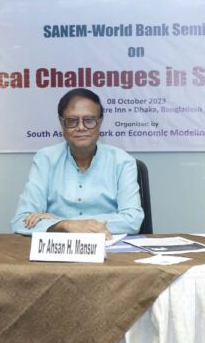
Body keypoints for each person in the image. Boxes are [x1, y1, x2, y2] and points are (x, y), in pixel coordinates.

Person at [11, 88, 143, 237]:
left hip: (108, 246)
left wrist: (63, 223)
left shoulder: (122, 161)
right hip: (59, 248)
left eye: (89, 120)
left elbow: (132, 221)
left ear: (100, 123)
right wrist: (65, 225)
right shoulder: (45, 159)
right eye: (72, 121)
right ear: (62, 123)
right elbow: (21, 221)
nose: (81, 127)